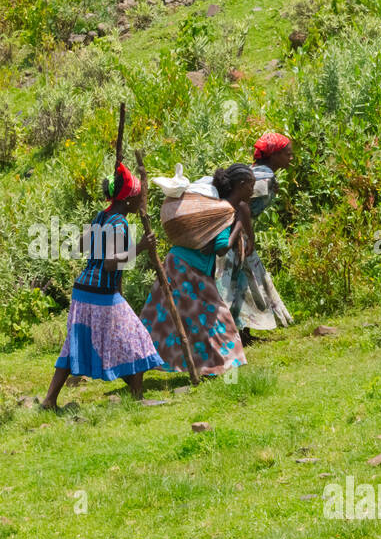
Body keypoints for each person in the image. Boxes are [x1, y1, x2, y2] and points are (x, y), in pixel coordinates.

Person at [42, 164, 164, 409]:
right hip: (100, 292)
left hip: (84, 289)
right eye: (140, 195)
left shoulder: (102, 216)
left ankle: (49, 401)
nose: (143, 199)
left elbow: (80, 246)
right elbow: (110, 265)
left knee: (75, 341)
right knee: (136, 338)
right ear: (129, 200)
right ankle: (137, 398)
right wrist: (139, 248)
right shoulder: (118, 223)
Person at [139, 163, 255, 376]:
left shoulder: (216, 206)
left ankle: (143, 358)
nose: (252, 190)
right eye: (251, 185)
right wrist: (238, 225)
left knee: (173, 316)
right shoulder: (223, 211)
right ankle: (227, 370)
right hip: (189, 269)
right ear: (241, 185)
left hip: (178, 262)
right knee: (217, 316)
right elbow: (221, 248)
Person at [217, 132, 296, 345]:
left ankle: (242, 334)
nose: (291, 158)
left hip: (233, 233)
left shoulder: (260, 173)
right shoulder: (263, 178)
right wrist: (246, 237)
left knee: (243, 282)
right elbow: (241, 206)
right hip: (235, 235)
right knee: (238, 283)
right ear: (273, 155)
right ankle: (237, 335)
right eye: (287, 154)